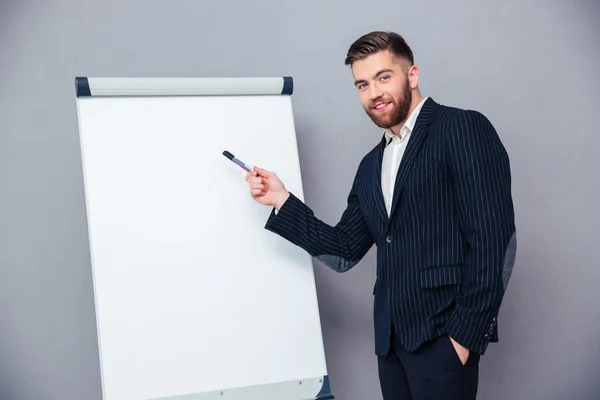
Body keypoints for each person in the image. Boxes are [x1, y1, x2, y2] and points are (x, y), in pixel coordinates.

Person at [245, 30, 516, 400]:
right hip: (390, 347)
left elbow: (495, 242)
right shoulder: (371, 165)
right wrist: (282, 200)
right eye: (362, 84)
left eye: (383, 77)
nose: (374, 93)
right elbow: (343, 249)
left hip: (444, 343)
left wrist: (464, 339)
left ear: (412, 75)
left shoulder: (462, 128)